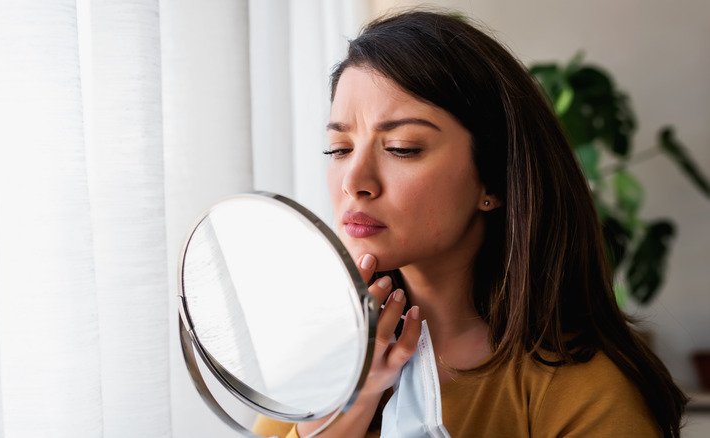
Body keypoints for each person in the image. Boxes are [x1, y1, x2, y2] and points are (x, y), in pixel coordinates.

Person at [255, 9, 687, 437]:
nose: (354, 181)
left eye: (402, 148)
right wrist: (342, 415)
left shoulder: (584, 392)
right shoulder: (323, 362)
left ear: (493, 180)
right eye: (339, 149)